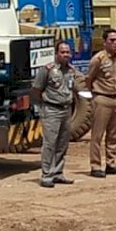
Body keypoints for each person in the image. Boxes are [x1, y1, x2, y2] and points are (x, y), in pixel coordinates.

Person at [32, 41, 78, 188]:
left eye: (68, 52)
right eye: (63, 52)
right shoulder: (47, 70)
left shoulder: (71, 70)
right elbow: (36, 89)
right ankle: (46, 175)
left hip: (66, 110)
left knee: (62, 143)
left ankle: (58, 172)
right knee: (50, 143)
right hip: (51, 110)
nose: (66, 55)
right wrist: (41, 107)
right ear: (56, 54)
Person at [85, 29, 116, 178]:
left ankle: (111, 163)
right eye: (112, 40)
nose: (115, 43)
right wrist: (93, 96)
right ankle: (95, 165)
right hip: (102, 98)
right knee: (97, 135)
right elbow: (89, 79)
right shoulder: (98, 59)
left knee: (114, 134)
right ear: (104, 42)